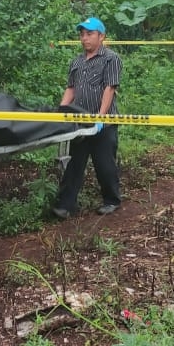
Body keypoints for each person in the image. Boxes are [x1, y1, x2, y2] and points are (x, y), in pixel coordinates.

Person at [51, 16, 123, 219]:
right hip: (80, 124)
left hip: (104, 124)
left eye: (90, 34)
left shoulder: (111, 59)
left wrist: (100, 118)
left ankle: (112, 201)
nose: (85, 38)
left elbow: (109, 88)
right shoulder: (77, 62)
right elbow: (71, 89)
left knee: (104, 164)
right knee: (75, 163)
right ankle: (65, 205)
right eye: (82, 34)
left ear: (101, 36)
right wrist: (61, 111)